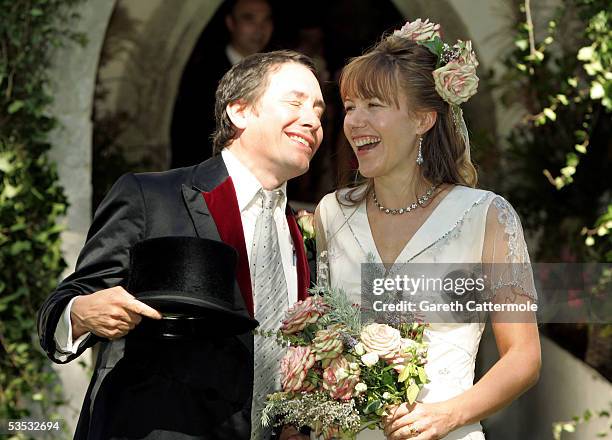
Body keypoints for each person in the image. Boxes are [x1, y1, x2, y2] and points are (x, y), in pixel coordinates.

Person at [38, 50, 324, 440]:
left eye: (320, 111)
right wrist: (81, 313)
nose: (312, 120)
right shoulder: (151, 196)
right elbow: (67, 302)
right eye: (295, 102)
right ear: (239, 112)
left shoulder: (303, 233)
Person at [315, 19, 541, 439]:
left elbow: (523, 357)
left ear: (422, 119)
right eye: (349, 107)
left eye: (374, 105)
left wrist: (446, 415)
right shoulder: (333, 213)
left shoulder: (485, 216)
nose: (355, 122)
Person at [171, 0, 274, 167]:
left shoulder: (275, 75)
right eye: (249, 19)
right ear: (231, 23)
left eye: (266, 20)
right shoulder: (203, 74)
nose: (259, 29)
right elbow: (189, 134)